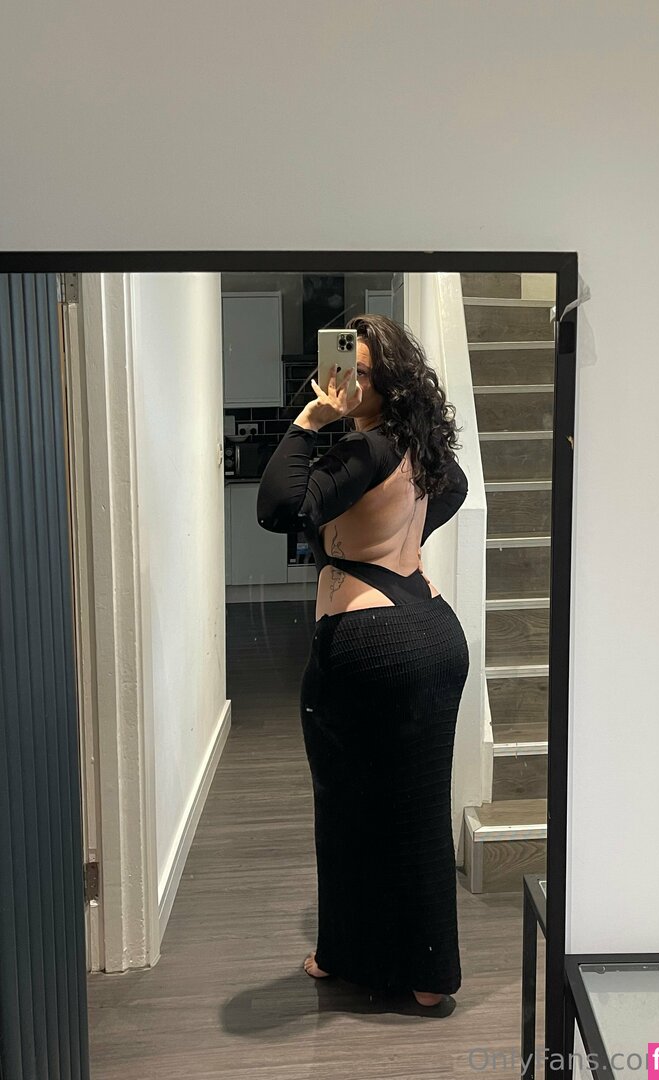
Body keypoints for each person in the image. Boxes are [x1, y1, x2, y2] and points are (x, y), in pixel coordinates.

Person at [256, 314, 470, 1007]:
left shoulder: (365, 448)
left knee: (346, 804)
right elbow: (456, 488)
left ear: (387, 385)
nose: (346, 383)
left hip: (371, 645)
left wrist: (310, 420)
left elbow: (279, 505)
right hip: (432, 630)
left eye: (362, 374)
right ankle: (428, 977)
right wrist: (399, 548)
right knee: (417, 810)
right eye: (346, 368)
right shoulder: (418, 444)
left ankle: (345, 954)